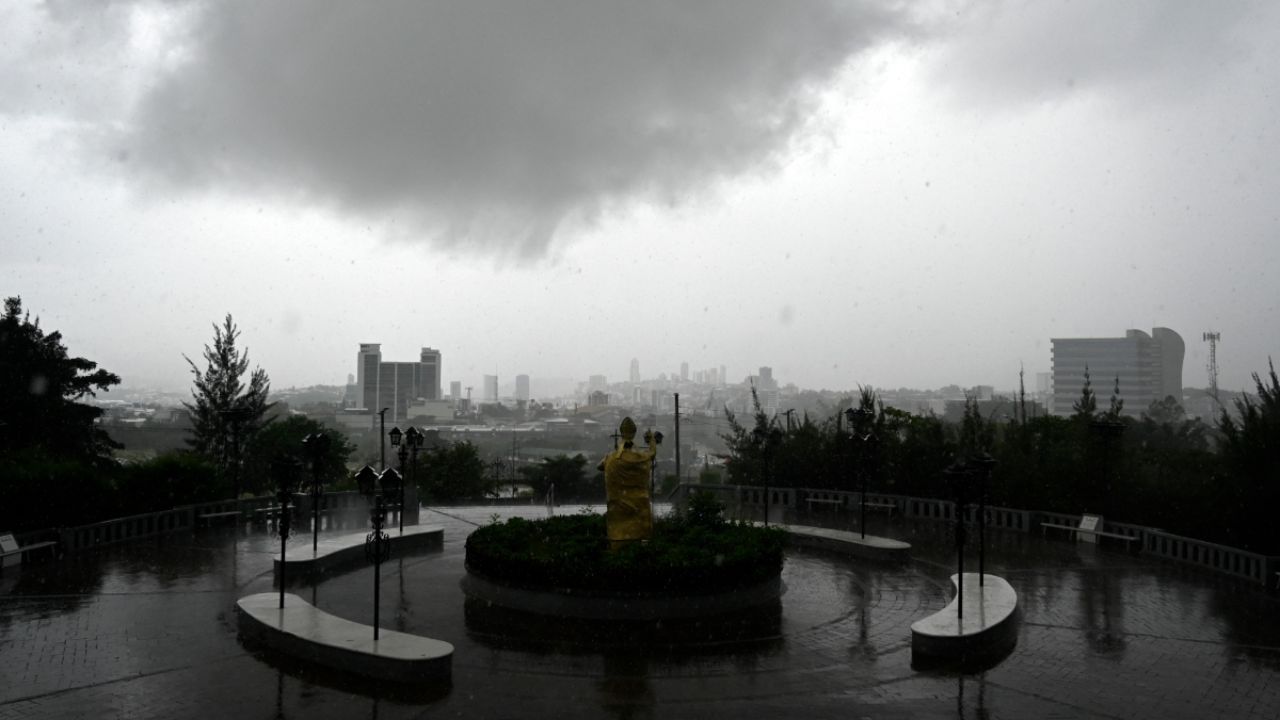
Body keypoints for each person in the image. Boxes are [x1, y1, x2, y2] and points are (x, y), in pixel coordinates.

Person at [598, 417, 660, 549]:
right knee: (640, 544)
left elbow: (600, 466)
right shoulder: (641, 458)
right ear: (634, 433)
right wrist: (651, 441)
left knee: (617, 543)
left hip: (618, 509)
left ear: (621, 433)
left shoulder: (610, 458)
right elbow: (652, 454)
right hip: (639, 507)